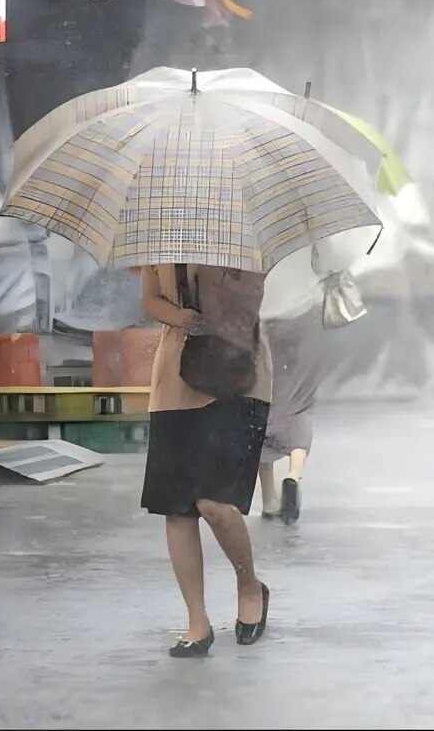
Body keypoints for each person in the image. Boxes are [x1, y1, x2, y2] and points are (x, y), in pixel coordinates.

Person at [139, 263, 273, 656]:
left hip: (239, 370)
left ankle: (248, 583)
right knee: (178, 507)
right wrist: (182, 317)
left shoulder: (240, 232)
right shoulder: (158, 236)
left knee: (216, 503)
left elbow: (250, 297)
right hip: (177, 378)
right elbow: (150, 299)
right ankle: (197, 621)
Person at [258, 305, 323, 525]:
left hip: (266, 342)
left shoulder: (265, 284)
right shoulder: (305, 284)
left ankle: (268, 500)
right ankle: (293, 476)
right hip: (302, 342)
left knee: (264, 416)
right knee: (299, 413)